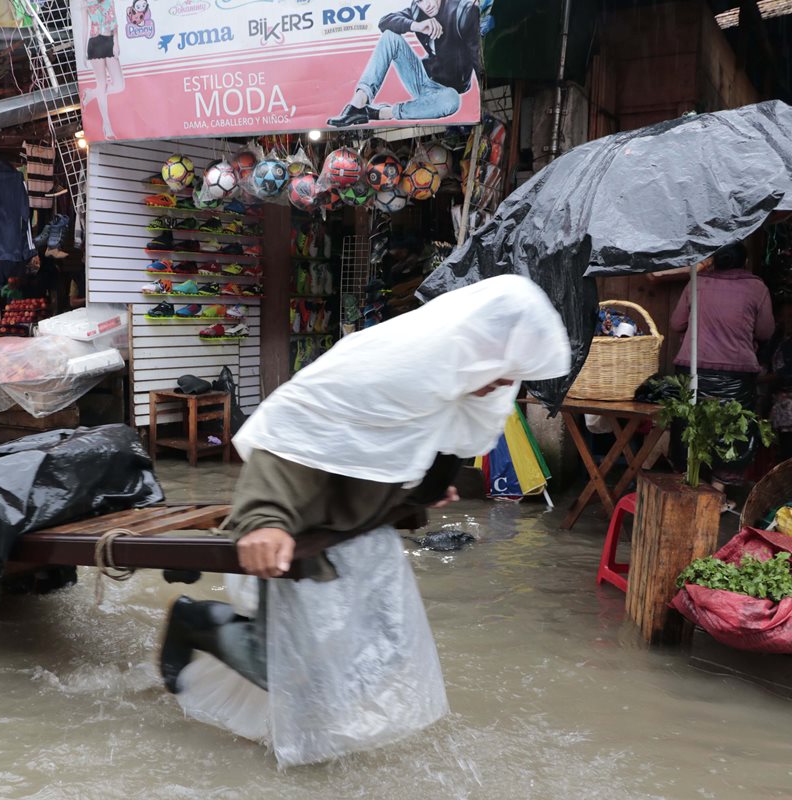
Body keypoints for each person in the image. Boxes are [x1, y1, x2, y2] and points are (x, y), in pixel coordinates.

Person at [158, 275, 571, 766]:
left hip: (363, 527)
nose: (504, 384)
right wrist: (264, 519)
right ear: (475, 346)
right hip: (305, 522)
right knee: (289, 668)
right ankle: (197, 621)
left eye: (511, 376)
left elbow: (422, 445)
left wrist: (423, 490)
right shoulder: (389, 364)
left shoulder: (463, 385)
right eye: (501, 371)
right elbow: (298, 427)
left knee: (378, 654)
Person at [670, 242, 774, 486]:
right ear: (745, 262)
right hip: (736, 375)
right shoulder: (756, 288)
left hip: (693, 368)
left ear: (714, 260)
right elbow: (766, 331)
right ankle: (719, 493)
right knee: (732, 433)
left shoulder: (698, 283)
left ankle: (685, 485)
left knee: (689, 427)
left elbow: (676, 324)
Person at [327, 0, 480, 127]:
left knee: (452, 99)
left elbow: (477, 56)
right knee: (389, 36)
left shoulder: (463, 12)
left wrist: (483, 99)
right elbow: (385, 22)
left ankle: (381, 113)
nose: (427, 4)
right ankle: (357, 104)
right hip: (422, 79)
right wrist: (416, 25)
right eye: (420, 0)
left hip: (446, 91)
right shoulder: (417, 12)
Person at [82, 0, 125, 139]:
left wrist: (116, 42)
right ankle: (107, 126)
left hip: (109, 40)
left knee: (119, 85)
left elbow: (114, 19)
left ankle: (92, 94)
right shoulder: (85, 2)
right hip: (95, 42)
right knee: (102, 84)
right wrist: (83, 52)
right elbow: (84, 27)